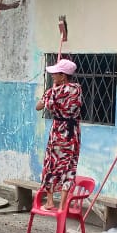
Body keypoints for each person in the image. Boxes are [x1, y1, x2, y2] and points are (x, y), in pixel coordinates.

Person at [35, 58, 82, 212]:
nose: (53, 75)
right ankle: (62, 205)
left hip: (59, 132)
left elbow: (39, 106)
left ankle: (50, 202)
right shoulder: (77, 89)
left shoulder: (53, 92)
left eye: (56, 73)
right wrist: (53, 90)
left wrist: (51, 91)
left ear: (63, 76)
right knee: (69, 166)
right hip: (72, 132)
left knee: (52, 164)